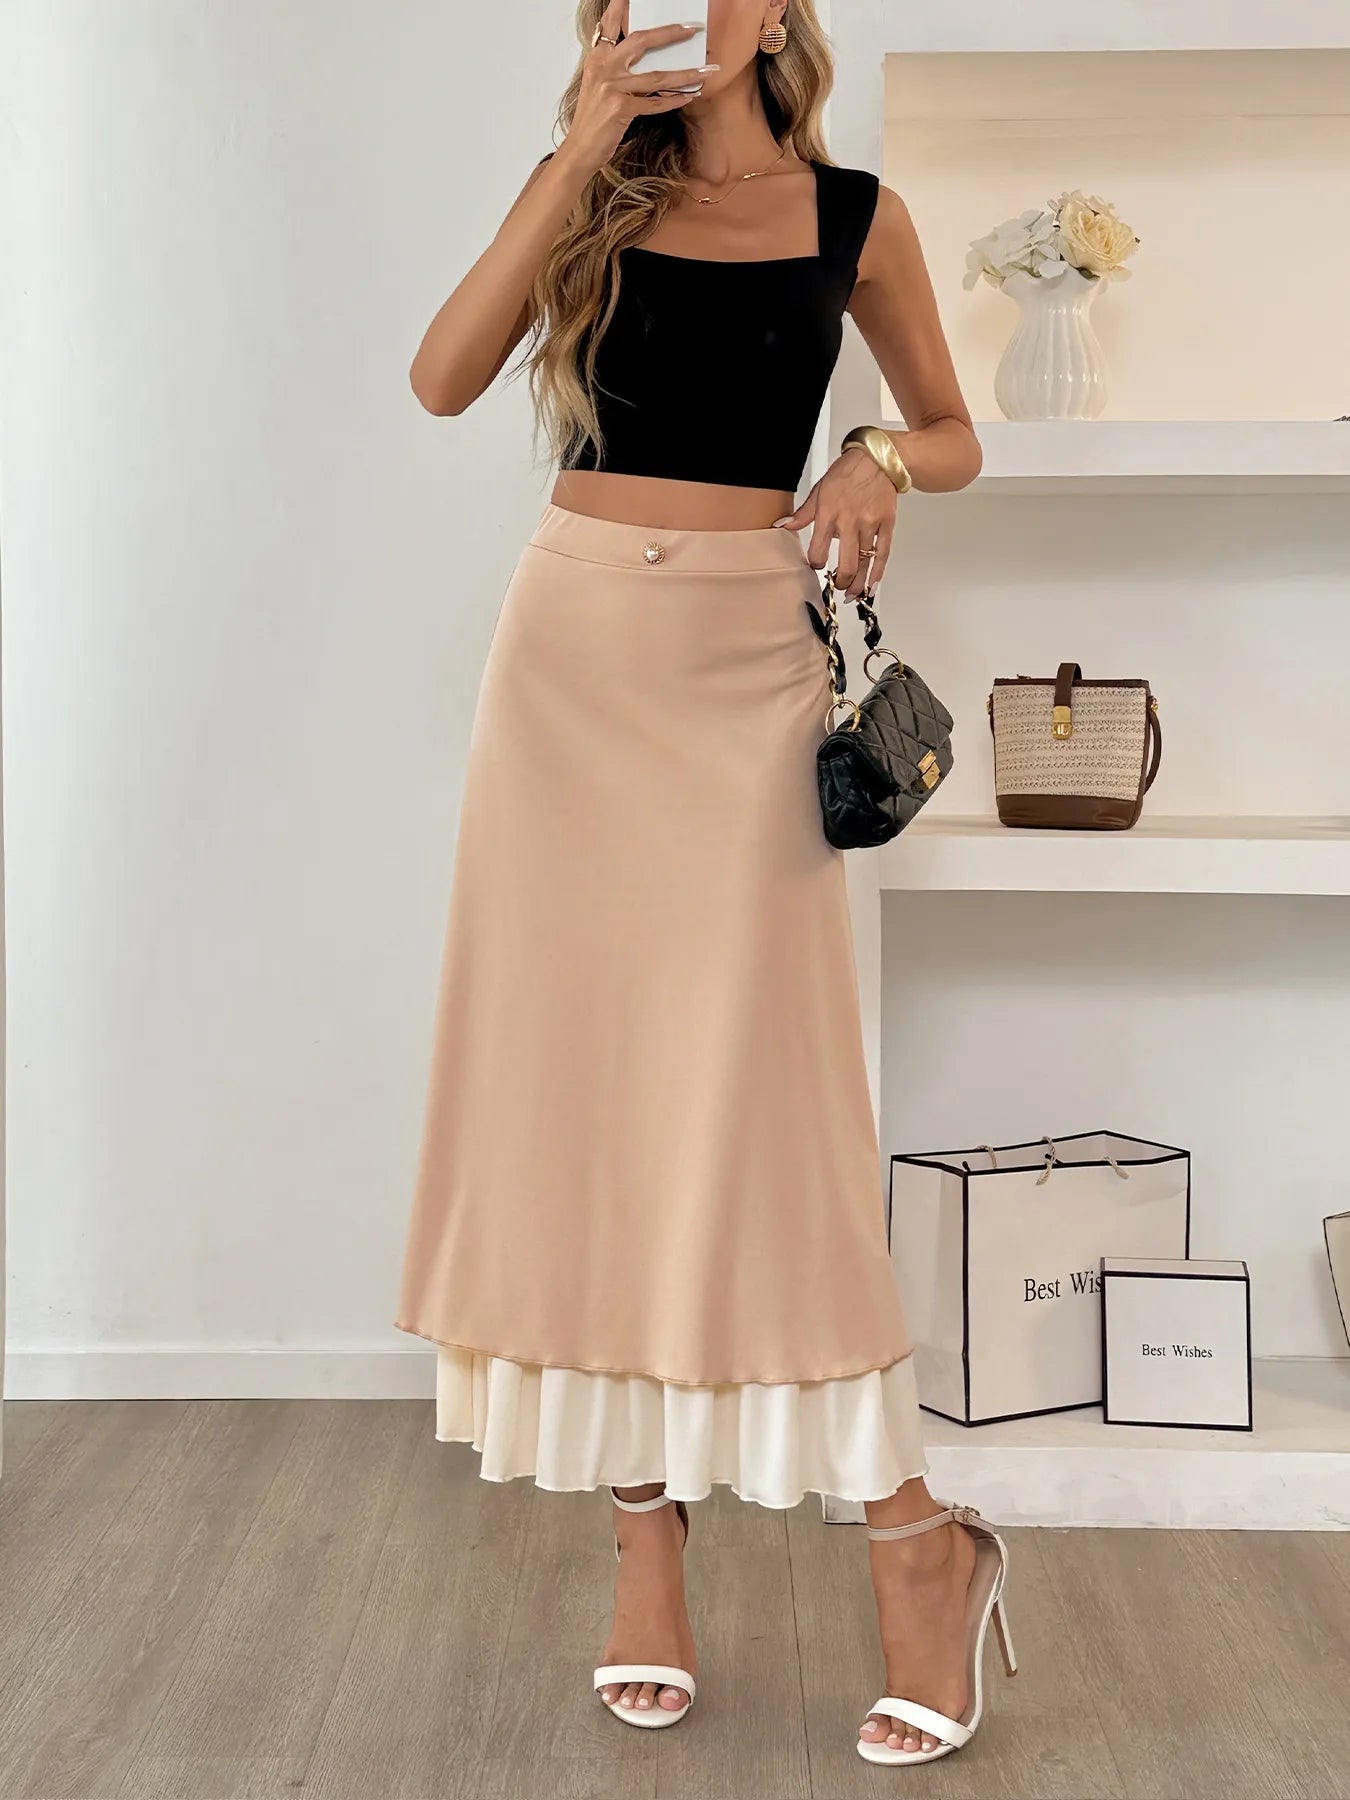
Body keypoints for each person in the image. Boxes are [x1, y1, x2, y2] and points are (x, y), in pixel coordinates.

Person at [396, 0, 1014, 1767]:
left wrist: (874, 456)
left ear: (774, 12)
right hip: (568, 666)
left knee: (771, 1114)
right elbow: (441, 375)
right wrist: (582, 146)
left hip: (743, 668)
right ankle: (644, 1551)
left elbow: (951, 429)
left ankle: (918, 1540)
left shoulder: (854, 215)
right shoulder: (584, 179)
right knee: (591, 1104)